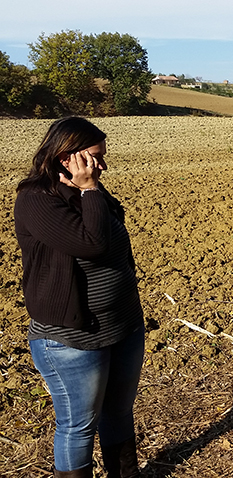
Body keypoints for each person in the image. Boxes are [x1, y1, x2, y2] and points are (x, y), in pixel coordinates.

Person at [14, 117, 145, 477]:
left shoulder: (94, 193)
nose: (102, 165)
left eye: (102, 157)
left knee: (118, 412)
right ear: (64, 157)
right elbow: (92, 244)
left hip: (123, 328)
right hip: (73, 338)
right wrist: (88, 190)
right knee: (78, 426)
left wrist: (91, 190)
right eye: (95, 157)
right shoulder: (36, 200)